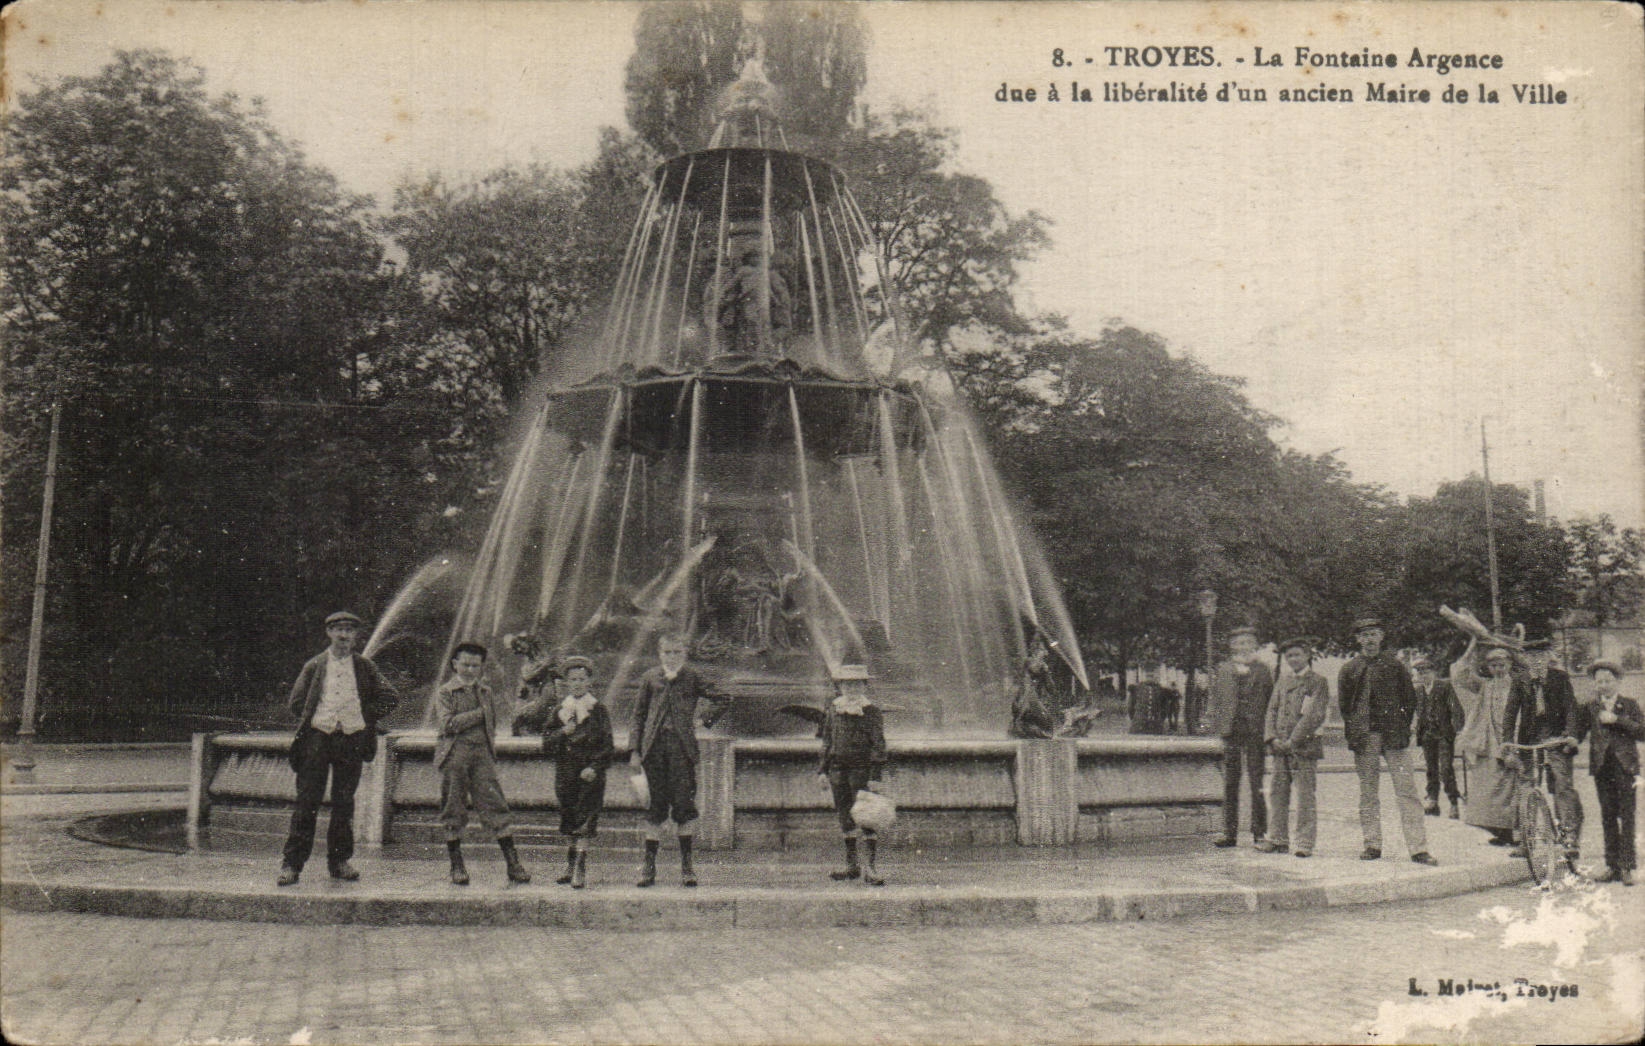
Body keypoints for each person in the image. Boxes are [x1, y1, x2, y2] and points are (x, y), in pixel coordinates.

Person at [278, 611, 399, 886]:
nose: (344, 635)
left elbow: (391, 697)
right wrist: (319, 719)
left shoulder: (365, 667)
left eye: (349, 630)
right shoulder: (315, 665)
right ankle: (292, 864)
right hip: (318, 739)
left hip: (351, 738)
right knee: (307, 800)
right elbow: (297, 702)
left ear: (356, 636)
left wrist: (364, 717)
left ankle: (340, 861)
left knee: (344, 802)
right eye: (338, 629)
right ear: (329, 633)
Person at [629, 632, 731, 887]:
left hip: (682, 751)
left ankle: (687, 866)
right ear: (660, 653)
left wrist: (702, 720)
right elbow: (638, 716)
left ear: (684, 654)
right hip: (653, 751)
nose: (672, 657)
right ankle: (649, 867)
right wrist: (634, 751)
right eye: (667, 652)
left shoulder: (692, 677)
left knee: (684, 808)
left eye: (677, 652)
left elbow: (723, 697)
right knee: (654, 807)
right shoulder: (650, 678)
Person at [1338, 617, 1436, 865]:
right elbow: (1345, 706)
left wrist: (1402, 726)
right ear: (1358, 639)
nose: (1369, 639)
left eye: (1374, 634)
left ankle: (1418, 848)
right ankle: (1372, 844)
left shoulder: (1395, 666)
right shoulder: (1349, 669)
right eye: (1364, 635)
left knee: (1407, 791)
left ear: (1382, 637)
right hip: (1365, 738)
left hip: (1394, 737)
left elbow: (1409, 700)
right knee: (1368, 792)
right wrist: (1357, 730)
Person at [432, 642, 532, 886]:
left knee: (495, 804)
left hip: (482, 755)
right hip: (455, 754)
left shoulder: (485, 691)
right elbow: (446, 724)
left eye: (475, 665)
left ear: (481, 667)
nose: (469, 669)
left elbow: (492, 725)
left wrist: (490, 747)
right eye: (465, 664)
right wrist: (479, 714)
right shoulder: (446, 692)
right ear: (454, 664)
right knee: (453, 807)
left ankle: (513, 864)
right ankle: (457, 865)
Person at [1565, 660, 1642, 885]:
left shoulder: (1629, 705)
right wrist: (1570, 741)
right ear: (1594, 684)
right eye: (1599, 681)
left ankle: (1627, 867)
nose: (1604, 685)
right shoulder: (1590, 707)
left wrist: (1618, 720)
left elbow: (1642, 731)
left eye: (1608, 681)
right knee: (1607, 816)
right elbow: (1578, 732)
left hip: (1625, 767)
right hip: (1601, 768)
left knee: (1626, 817)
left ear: (1617, 682)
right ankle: (1612, 866)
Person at [541, 655, 615, 889]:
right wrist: (563, 732)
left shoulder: (598, 710)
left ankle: (580, 869)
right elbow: (545, 743)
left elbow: (607, 745)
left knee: (585, 819)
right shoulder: (560, 711)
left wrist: (594, 767)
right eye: (572, 679)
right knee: (570, 817)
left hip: (589, 774)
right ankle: (570, 865)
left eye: (582, 679)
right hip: (566, 772)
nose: (577, 683)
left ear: (589, 681)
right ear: (566, 682)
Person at [817, 665, 889, 886]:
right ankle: (852, 866)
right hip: (837, 770)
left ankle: (871, 867)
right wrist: (822, 770)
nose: (851, 688)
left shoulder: (871, 711)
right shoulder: (833, 709)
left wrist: (875, 775)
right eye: (847, 684)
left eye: (857, 683)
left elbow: (879, 744)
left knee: (866, 816)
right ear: (840, 686)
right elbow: (827, 741)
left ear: (864, 686)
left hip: (861, 770)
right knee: (845, 816)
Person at [1451, 638, 1527, 849]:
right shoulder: (1485, 686)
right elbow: (1459, 674)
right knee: (1487, 794)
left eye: (1502, 665)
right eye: (1493, 666)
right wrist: (1473, 646)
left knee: (1514, 792)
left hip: (1514, 744)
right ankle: (1501, 833)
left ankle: (1518, 835)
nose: (1498, 669)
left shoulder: (1519, 684)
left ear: (1510, 664)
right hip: (1490, 745)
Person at [1259, 637, 1330, 858]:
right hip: (1280, 747)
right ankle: (1278, 838)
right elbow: (1271, 710)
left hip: (1304, 748)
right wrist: (1271, 738)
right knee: (1278, 794)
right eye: (1289, 656)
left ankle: (1304, 842)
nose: (1293, 659)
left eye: (1297, 654)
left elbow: (1314, 715)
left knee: (1305, 796)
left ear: (1308, 656)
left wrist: (1293, 740)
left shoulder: (1317, 681)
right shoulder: (1282, 680)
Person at [1207, 625, 1274, 849]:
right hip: (1231, 730)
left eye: (1247, 642)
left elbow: (1271, 702)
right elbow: (1217, 700)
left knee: (1257, 782)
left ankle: (1259, 832)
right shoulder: (1224, 669)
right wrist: (1218, 727)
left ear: (1255, 645)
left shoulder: (1264, 670)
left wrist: (1269, 731)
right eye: (1238, 643)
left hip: (1255, 730)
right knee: (1230, 782)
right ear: (1231, 646)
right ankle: (1229, 832)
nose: (1243, 647)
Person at [1514, 639, 1580, 857]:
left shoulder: (1560, 678)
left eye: (1540, 656)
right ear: (1525, 659)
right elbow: (1509, 713)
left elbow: (1571, 707)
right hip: (1530, 738)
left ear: (1547, 657)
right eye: (1531, 657)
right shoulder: (1520, 680)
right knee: (1526, 786)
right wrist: (1506, 742)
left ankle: (1569, 835)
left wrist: (1570, 734)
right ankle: (1527, 839)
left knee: (1561, 783)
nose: (1536, 661)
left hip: (1555, 736)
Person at [1412, 655, 1465, 819]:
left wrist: (1457, 730)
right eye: (1420, 673)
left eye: (1426, 672)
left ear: (1433, 672)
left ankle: (1453, 802)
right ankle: (1433, 801)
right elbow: (1419, 713)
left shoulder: (1444, 687)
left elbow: (1456, 710)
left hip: (1443, 734)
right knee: (1431, 769)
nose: (1424, 676)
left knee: (1445, 769)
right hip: (1427, 735)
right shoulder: (1419, 692)